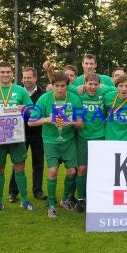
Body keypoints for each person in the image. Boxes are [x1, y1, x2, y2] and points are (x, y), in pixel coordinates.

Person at [28, 72, 84, 218]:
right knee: (52, 171)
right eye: (56, 86)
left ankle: (65, 199)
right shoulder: (44, 99)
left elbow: (81, 123)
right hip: (50, 141)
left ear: (67, 86)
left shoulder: (74, 99)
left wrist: (70, 122)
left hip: (68, 140)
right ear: (52, 85)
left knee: (72, 171)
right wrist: (48, 119)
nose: (59, 89)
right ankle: (51, 205)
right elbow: (31, 122)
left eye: (62, 86)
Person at [0, 62, 35, 213]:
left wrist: (25, 109)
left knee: (20, 167)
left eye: (8, 72)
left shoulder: (21, 91)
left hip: (16, 136)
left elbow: (33, 112)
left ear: (12, 74)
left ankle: (25, 201)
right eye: (2, 72)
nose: (5, 75)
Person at [69, 73, 115, 212]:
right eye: (90, 84)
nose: (93, 87)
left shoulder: (103, 91)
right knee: (82, 169)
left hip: (100, 136)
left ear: (99, 85)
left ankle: (97, 197)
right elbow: (62, 85)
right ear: (85, 83)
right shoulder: (79, 92)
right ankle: (81, 198)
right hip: (83, 136)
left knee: (99, 170)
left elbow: (118, 88)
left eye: (96, 84)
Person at [8, 67, 47, 203]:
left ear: (35, 78)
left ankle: (37, 191)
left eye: (29, 77)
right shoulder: (16, 93)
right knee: (18, 163)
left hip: (38, 133)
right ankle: (13, 192)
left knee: (38, 163)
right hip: (20, 133)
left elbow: (43, 113)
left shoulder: (43, 94)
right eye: (24, 77)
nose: (26, 80)